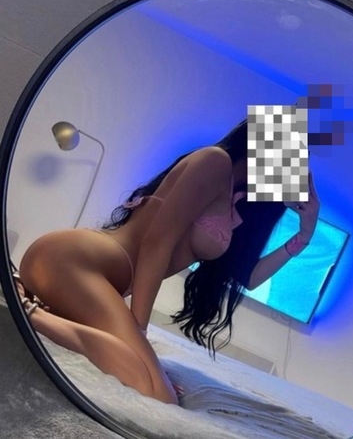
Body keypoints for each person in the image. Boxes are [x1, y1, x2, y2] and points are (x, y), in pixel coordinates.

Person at [14, 118, 320, 405]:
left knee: (155, 383)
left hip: (91, 275)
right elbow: (157, 242)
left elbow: (248, 278)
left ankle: (37, 308)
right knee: (157, 392)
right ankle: (24, 308)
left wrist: (305, 235)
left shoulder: (235, 200)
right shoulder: (214, 161)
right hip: (72, 260)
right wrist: (139, 334)